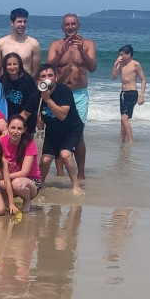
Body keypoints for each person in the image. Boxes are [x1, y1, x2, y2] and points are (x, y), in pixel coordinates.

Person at [46, 14, 97, 179]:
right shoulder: (56, 44)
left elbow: (92, 68)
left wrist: (81, 50)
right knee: (58, 130)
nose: (70, 27)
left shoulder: (88, 44)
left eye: (73, 24)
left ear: (78, 25)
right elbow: (48, 69)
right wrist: (61, 53)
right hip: (59, 92)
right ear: (62, 27)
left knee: (78, 132)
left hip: (79, 93)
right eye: (67, 25)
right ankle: (60, 172)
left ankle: (80, 174)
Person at [36, 65, 84, 195]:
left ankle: (75, 186)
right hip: (53, 129)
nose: (47, 79)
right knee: (45, 160)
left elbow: (62, 115)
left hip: (71, 128)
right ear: (39, 80)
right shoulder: (38, 94)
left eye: (50, 75)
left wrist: (48, 99)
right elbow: (30, 113)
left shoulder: (64, 91)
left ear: (56, 77)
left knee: (65, 155)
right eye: (43, 76)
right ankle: (40, 183)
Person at [0, 114, 41, 212]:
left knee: (17, 183)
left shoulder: (29, 143)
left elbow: (24, 173)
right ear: (7, 128)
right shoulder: (1, 141)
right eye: (12, 128)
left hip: (31, 182)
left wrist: (2, 177)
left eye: (19, 129)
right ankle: (8, 202)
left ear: (24, 130)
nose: (15, 132)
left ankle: (26, 200)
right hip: (9, 179)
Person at [111, 45, 146, 143]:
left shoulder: (135, 64)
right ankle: (122, 142)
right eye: (119, 55)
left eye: (122, 55)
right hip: (123, 93)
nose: (120, 57)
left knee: (124, 118)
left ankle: (131, 141)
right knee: (123, 120)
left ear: (129, 54)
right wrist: (115, 64)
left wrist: (142, 95)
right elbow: (113, 77)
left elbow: (143, 79)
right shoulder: (121, 64)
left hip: (132, 93)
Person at [0, 8, 41, 77]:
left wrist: (28, 84)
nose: (23, 24)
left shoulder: (33, 44)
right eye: (19, 21)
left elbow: (36, 71)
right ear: (11, 23)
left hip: (26, 84)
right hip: (7, 84)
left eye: (25, 21)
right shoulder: (1, 43)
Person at [0, 51, 39, 134]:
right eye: (9, 64)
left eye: (15, 64)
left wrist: (19, 120)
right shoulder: (3, 79)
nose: (12, 67)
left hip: (27, 118)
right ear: (5, 66)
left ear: (19, 65)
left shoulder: (27, 80)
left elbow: (32, 103)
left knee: (25, 144)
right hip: (9, 118)